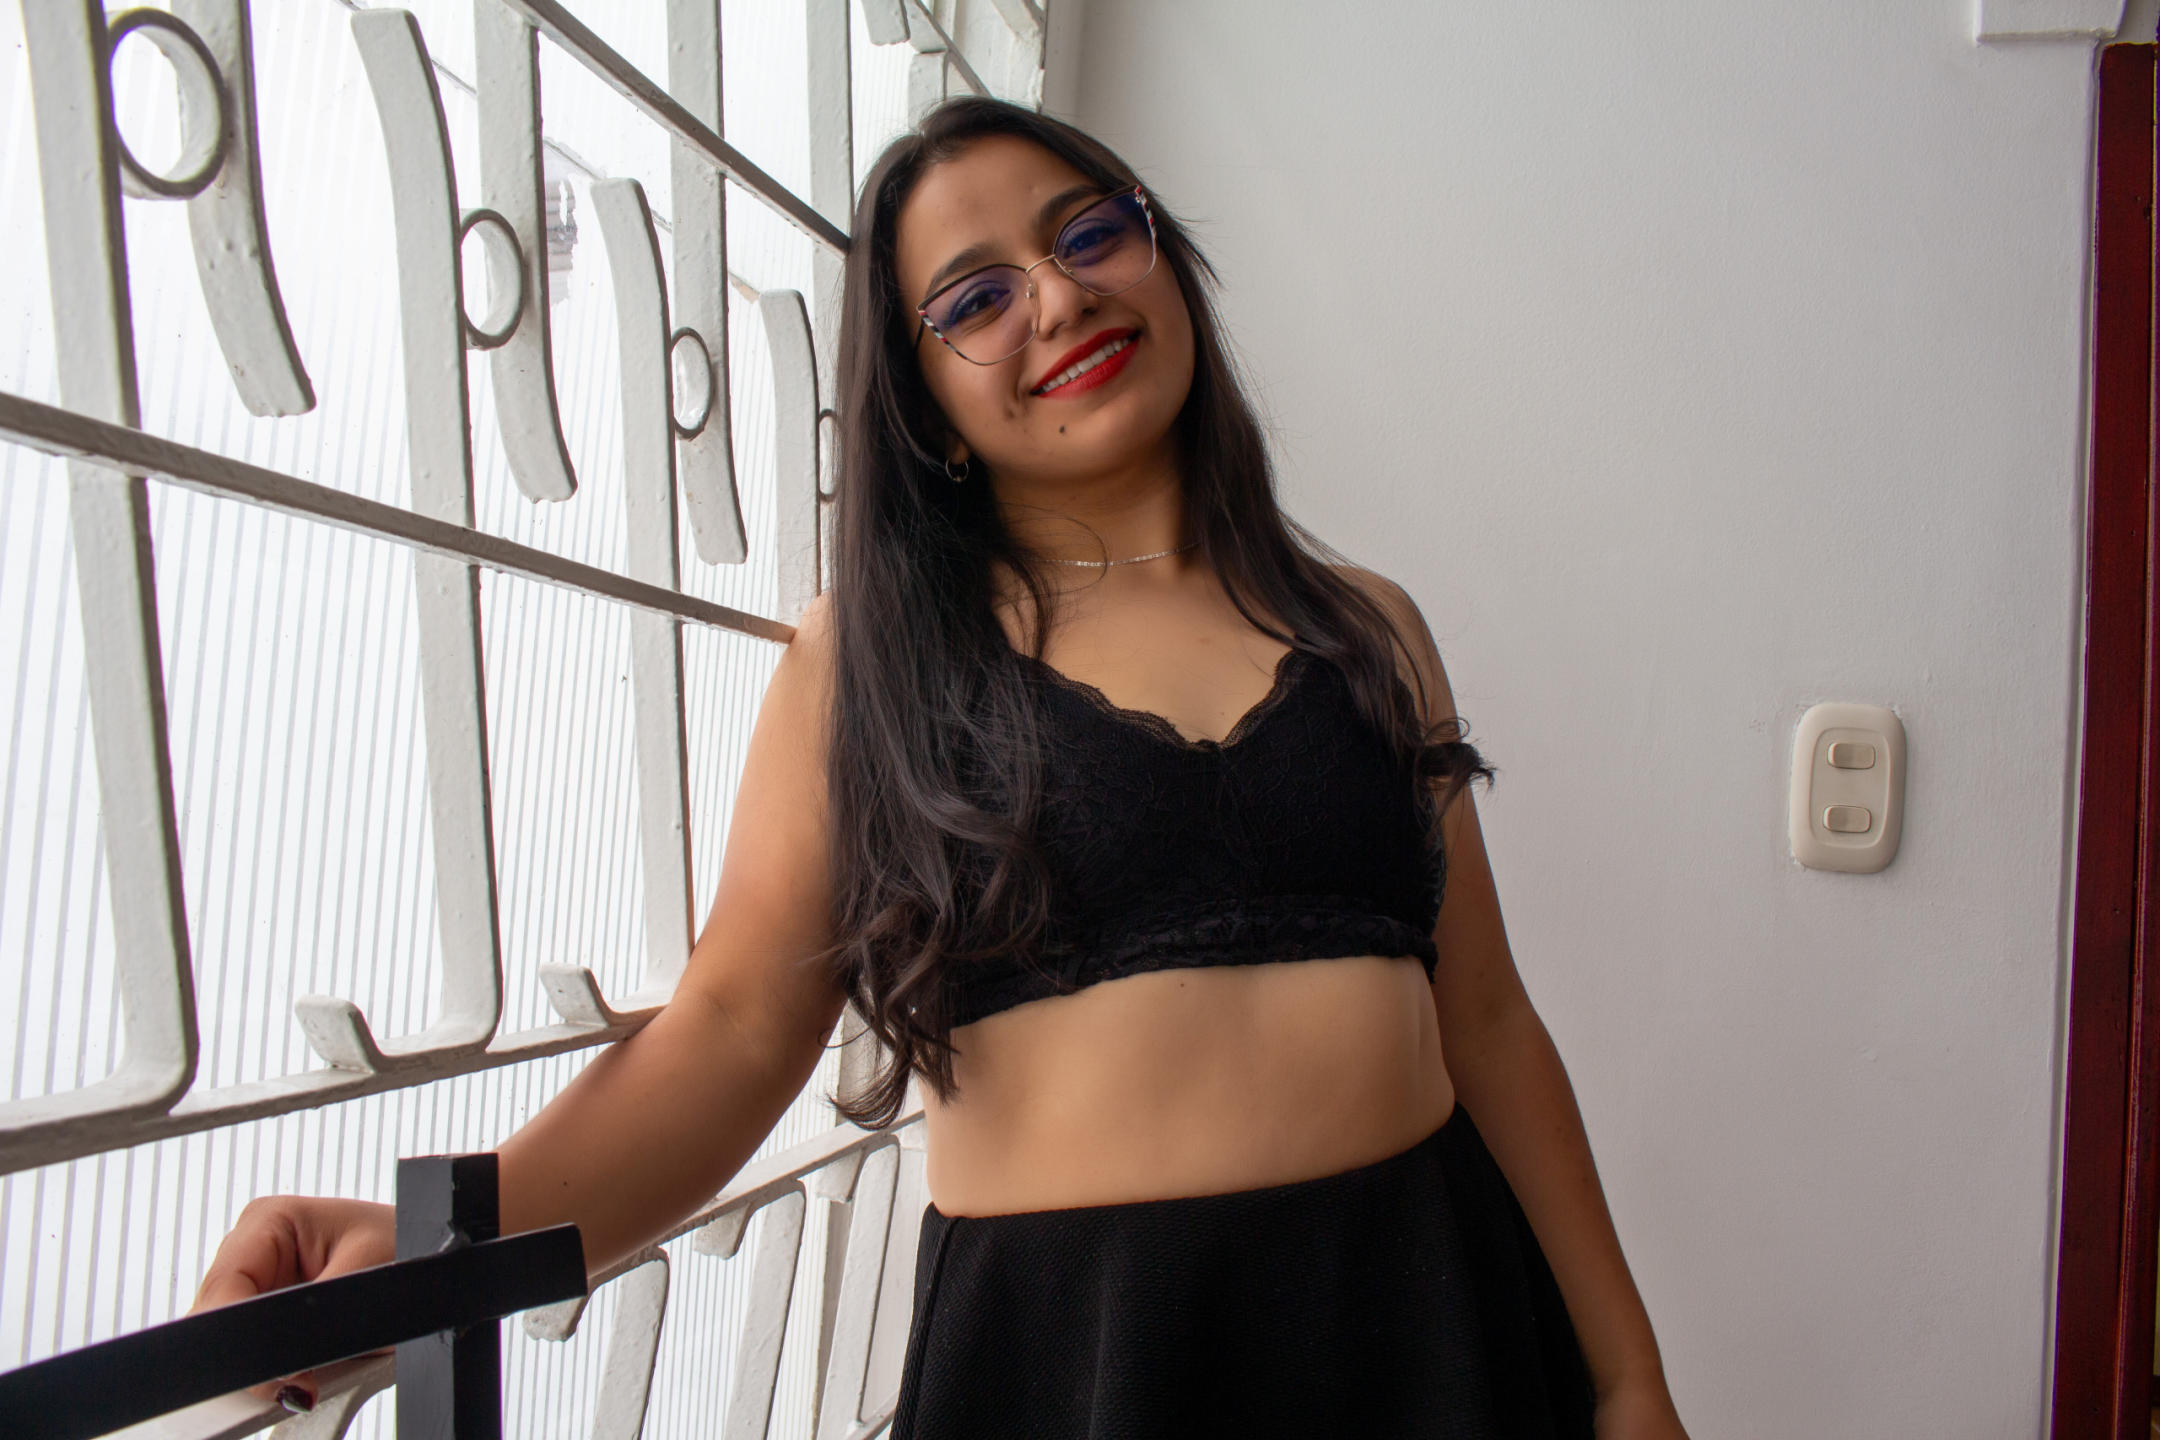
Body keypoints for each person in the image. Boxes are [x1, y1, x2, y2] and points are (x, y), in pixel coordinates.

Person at [191, 96, 1691, 1438]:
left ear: (1163, 259)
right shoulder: (872, 663)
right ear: (927, 404)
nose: (1060, 295)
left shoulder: (1367, 626)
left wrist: (1629, 1378)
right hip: (1075, 1362)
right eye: (977, 298)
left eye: (1089, 234)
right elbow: (731, 1034)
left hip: (1434, 1327)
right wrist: (433, 1258)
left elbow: (1488, 1022)